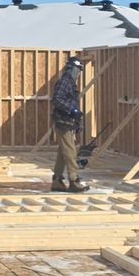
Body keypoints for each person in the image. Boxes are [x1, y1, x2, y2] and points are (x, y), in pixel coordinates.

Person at [50, 54, 87, 191]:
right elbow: (57, 99)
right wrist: (72, 110)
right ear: (72, 69)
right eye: (77, 70)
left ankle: (57, 180)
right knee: (70, 152)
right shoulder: (65, 81)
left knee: (63, 152)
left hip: (68, 122)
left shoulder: (70, 82)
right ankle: (73, 180)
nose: (78, 73)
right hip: (63, 122)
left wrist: (77, 119)